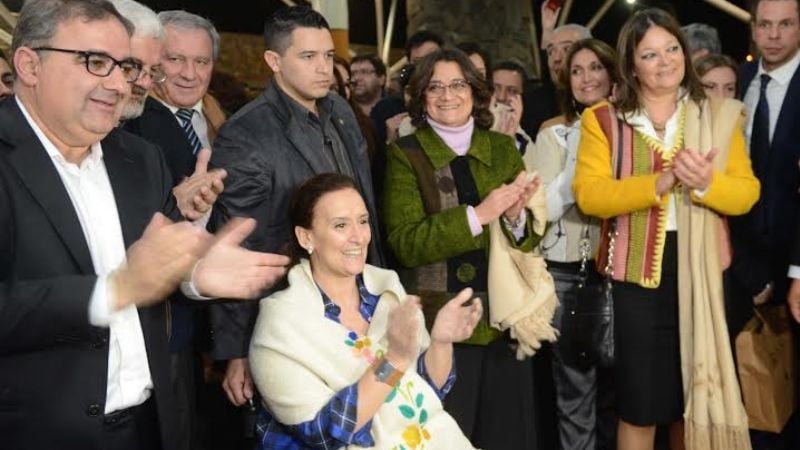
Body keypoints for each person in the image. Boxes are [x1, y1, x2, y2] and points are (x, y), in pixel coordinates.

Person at [0, 1, 290, 448]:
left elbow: (164, 263)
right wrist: (113, 290)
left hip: (151, 426)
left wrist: (196, 274)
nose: (120, 84)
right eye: (97, 63)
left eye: (127, 67)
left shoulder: (139, 159)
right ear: (29, 64)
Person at [573, 8, 759, 450]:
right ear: (631, 64)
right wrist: (657, 182)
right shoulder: (603, 119)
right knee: (640, 406)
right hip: (637, 279)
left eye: (672, 49)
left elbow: (747, 193)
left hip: (704, 274)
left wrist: (706, 183)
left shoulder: (717, 114)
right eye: (651, 54)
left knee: (694, 403)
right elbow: (590, 195)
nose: (666, 61)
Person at [208, 4, 385, 413]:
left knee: (373, 416)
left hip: (359, 302)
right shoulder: (246, 133)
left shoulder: (339, 111)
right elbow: (239, 245)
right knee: (314, 426)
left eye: (327, 56)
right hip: (292, 315)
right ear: (274, 60)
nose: (324, 68)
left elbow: (366, 205)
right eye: (308, 57)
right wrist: (238, 350)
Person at [383, 48, 544, 449]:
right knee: (446, 438)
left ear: (474, 91)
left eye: (457, 84)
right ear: (421, 97)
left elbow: (528, 238)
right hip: (439, 327)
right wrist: (480, 214)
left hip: (504, 321)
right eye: (434, 87)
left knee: (508, 435)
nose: (446, 95)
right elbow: (405, 243)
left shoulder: (502, 148)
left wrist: (515, 217)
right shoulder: (405, 155)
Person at [249, 173, 480, 449]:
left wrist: (441, 342)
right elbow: (324, 433)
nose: (358, 237)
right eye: (341, 225)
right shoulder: (281, 324)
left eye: (362, 221)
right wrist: (393, 360)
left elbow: (425, 390)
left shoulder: (389, 291)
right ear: (305, 237)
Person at [529, 38, 618, 450]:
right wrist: (583, 148)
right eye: (577, 70)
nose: (587, 78)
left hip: (627, 273)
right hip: (570, 272)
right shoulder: (555, 136)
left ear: (614, 73)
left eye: (596, 67)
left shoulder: (636, 131)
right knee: (574, 397)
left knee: (626, 397)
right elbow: (540, 209)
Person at [729, 0, 800, 336]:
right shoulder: (734, 82)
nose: (773, 35)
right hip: (742, 262)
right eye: (765, 25)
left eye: (785, 24)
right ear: (753, 28)